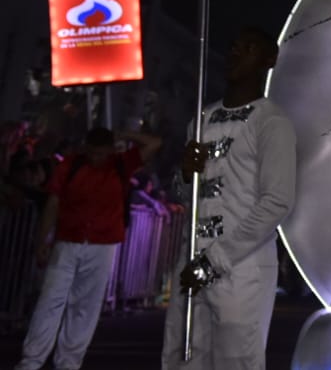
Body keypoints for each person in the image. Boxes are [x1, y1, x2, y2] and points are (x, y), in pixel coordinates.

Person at [160, 26, 298, 370]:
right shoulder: (201, 119)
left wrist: (215, 260)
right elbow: (191, 199)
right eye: (234, 46)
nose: (236, 53)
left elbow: (277, 203)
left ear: (269, 59)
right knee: (182, 358)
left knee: (236, 362)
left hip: (242, 269)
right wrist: (184, 175)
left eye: (248, 48)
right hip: (190, 265)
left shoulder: (273, 122)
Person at [14, 124, 162, 370]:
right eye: (93, 153)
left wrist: (124, 135)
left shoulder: (119, 163)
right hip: (69, 240)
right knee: (51, 300)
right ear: (86, 148)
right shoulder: (71, 165)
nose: (97, 158)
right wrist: (42, 239)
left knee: (85, 306)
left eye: (101, 153)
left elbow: (155, 142)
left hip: (101, 244)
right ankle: (32, 360)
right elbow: (54, 202)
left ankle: (67, 363)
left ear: (109, 150)